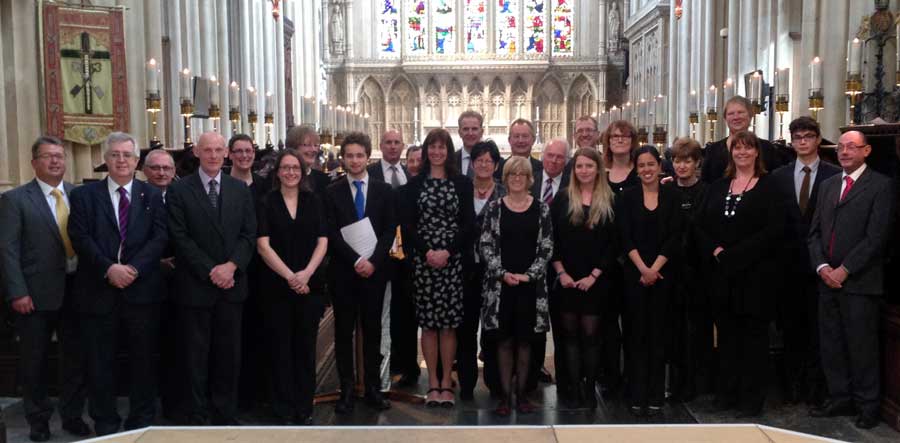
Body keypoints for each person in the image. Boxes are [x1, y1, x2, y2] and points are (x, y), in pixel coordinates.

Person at [67, 132, 167, 435]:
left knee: (142, 360)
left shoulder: (151, 195)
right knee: (100, 362)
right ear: (106, 160)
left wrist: (133, 269)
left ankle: (141, 418)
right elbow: (80, 237)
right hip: (98, 291)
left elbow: (160, 237)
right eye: (115, 155)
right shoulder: (84, 196)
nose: (121, 160)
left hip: (141, 292)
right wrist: (109, 268)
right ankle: (106, 421)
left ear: (137, 161)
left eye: (127, 155)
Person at [0, 136, 89, 442]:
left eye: (60, 156)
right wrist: (17, 292)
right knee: (34, 361)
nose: (55, 162)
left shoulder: (80, 195)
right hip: (34, 295)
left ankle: (73, 415)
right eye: (48, 156)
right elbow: (7, 250)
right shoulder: (15, 200)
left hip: (77, 291)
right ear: (34, 162)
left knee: (74, 358)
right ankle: (38, 420)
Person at [166, 131, 257, 425]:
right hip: (196, 286)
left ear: (226, 154)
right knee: (195, 355)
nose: (214, 155)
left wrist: (231, 267)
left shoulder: (239, 189)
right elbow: (180, 238)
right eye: (208, 150)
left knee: (228, 355)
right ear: (196, 152)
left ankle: (225, 411)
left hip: (231, 285)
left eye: (219, 150)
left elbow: (248, 234)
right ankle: (198, 411)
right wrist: (211, 270)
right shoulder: (180, 191)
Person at [808, 130, 894, 429]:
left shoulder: (881, 186)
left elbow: (876, 237)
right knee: (831, 343)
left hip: (860, 282)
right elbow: (815, 232)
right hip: (826, 280)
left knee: (862, 347)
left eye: (851, 147)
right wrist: (821, 267)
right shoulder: (828, 185)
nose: (844, 152)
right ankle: (840, 397)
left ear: (866, 151)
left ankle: (867, 404)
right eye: (841, 147)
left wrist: (845, 269)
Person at [695, 130, 783, 417]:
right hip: (722, 276)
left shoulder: (770, 186)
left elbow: (773, 230)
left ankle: (750, 398)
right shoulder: (719, 186)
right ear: (730, 153)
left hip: (755, 276)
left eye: (748, 148)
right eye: (737, 148)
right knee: (728, 337)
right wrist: (716, 251)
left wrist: (738, 254)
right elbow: (699, 224)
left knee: (753, 340)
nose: (742, 153)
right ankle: (727, 393)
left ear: (757, 152)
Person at [325, 132, 397, 414]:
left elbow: (390, 229)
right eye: (349, 155)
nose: (354, 160)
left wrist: (373, 262)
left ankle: (372, 388)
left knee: (372, 330)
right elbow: (331, 232)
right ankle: (345, 389)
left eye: (359, 155)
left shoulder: (383, 190)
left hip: (374, 272)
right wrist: (356, 260)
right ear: (343, 158)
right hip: (344, 272)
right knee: (343, 332)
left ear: (368, 157)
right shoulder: (332, 192)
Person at [771, 117, 840, 406]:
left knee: (819, 331)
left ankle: (816, 390)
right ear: (791, 142)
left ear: (817, 139)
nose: (802, 141)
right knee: (790, 329)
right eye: (797, 137)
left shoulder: (833, 175)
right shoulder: (779, 176)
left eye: (808, 136)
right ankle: (791, 387)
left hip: (821, 264)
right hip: (787, 266)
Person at [256, 149, 328, 425]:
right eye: (285, 168)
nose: (290, 173)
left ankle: (304, 406)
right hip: (277, 286)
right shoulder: (266, 202)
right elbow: (263, 245)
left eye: (295, 168)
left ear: (302, 172)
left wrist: (307, 274)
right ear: (277, 173)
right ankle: (283, 407)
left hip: (309, 286)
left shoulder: (313, 201)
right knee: (280, 349)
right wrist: (291, 277)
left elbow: (323, 240)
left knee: (305, 348)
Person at [403, 128, 474, 407]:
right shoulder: (414, 184)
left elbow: (468, 224)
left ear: (448, 151)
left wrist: (447, 251)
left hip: (452, 262)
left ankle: (447, 381)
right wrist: (428, 252)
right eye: (431, 146)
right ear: (425, 150)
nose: (436, 152)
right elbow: (407, 226)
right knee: (429, 325)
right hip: (424, 262)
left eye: (442, 147)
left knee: (448, 326)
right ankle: (432, 381)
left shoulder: (461, 184)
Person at [479, 156, 554, 416]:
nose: (518, 179)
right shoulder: (495, 208)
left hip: (529, 288)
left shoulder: (541, 208)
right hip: (501, 288)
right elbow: (486, 245)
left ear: (529, 179)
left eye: (522, 174)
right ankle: (504, 396)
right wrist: (502, 273)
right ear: (506, 178)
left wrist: (529, 275)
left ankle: (522, 395)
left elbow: (547, 247)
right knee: (504, 343)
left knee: (525, 343)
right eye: (512, 175)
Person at [617, 145, 683, 416]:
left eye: (650, 164)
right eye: (641, 165)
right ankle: (636, 393)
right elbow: (624, 236)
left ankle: (656, 393)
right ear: (636, 168)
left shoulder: (672, 196)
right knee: (635, 337)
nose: (646, 169)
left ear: (659, 166)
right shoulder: (627, 197)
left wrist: (654, 269)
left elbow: (675, 236)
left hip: (663, 276)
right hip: (634, 277)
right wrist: (643, 268)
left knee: (658, 336)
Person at [550, 148, 616, 409]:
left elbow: (614, 243)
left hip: (596, 280)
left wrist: (594, 275)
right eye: (579, 166)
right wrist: (561, 273)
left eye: (589, 166)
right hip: (566, 278)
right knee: (570, 336)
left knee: (591, 336)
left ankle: (589, 388)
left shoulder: (609, 200)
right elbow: (551, 237)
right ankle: (574, 387)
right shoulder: (563, 198)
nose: (584, 171)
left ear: (598, 169)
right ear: (573, 170)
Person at [368, 129, 419, 386]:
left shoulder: (409, 175)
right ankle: (377, 365)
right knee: (379, 312)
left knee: (406, 314)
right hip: (378, 254)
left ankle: (408, 365)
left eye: (396, 142)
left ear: (402, 146)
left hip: (406, 256)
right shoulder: (372, 173)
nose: (392, 146)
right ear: (380, 145)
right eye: (387, 142)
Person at [458, 140, 506, 401]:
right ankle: (466, 383)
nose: (484, 165)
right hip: (465, 270)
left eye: (489, 161)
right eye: (479, 160)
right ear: (472, 163)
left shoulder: (504, 191)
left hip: (493, 273)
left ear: (496, 165)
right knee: (465, 330)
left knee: (492, 330)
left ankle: (494, 382)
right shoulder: (462, 190)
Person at [508, 118, 552, 387]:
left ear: (533, 139)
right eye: (517, 136)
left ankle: (535, 369)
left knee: (535, 323)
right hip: (504, 261)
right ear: (510, 139)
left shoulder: (540, 169)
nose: (521, 140)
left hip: (534, 261)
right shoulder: (498, 165)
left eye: (526, 136)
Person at [667, 137, 710, 401]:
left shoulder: (707, 191)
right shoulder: (667, 191)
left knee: (698, 329)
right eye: (676, 161)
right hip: (672, 270)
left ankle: (698, 384)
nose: (681, 166)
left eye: (686, 161)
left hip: (699, 270)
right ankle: (676, 383)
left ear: (696, 163)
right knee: (674, 330)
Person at [141, 148, 181, 419]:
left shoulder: (183, 194)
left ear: (174, 171)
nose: (161, 172)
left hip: (182, 282)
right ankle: (145, 407)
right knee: (145, 349)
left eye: (167, 168)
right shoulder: (136, 196)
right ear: (144, 171)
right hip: (144, 282)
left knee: (178, 348)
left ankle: (175, 405)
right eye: (155, 168)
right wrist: (155, 263)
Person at [701, 95, 782, 183]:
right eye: (731, 114)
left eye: (740, 112)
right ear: (725, 118)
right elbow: (706, 183)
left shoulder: (766, 148)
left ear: (750, 115)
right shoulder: (713, 150)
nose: (736, 117)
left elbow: (776, 181)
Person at [285, 125, 332, 193]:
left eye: (316, 145)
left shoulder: (324, 180)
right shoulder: (280, 178)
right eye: (307, 145)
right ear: (293, 147)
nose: (313, 149)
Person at [456, 110, 485, 178]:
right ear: (459, 133)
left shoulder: (495, 161)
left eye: (474, 129)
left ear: (481, 132)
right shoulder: (450, 162)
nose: (470, 133)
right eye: (466, 129)